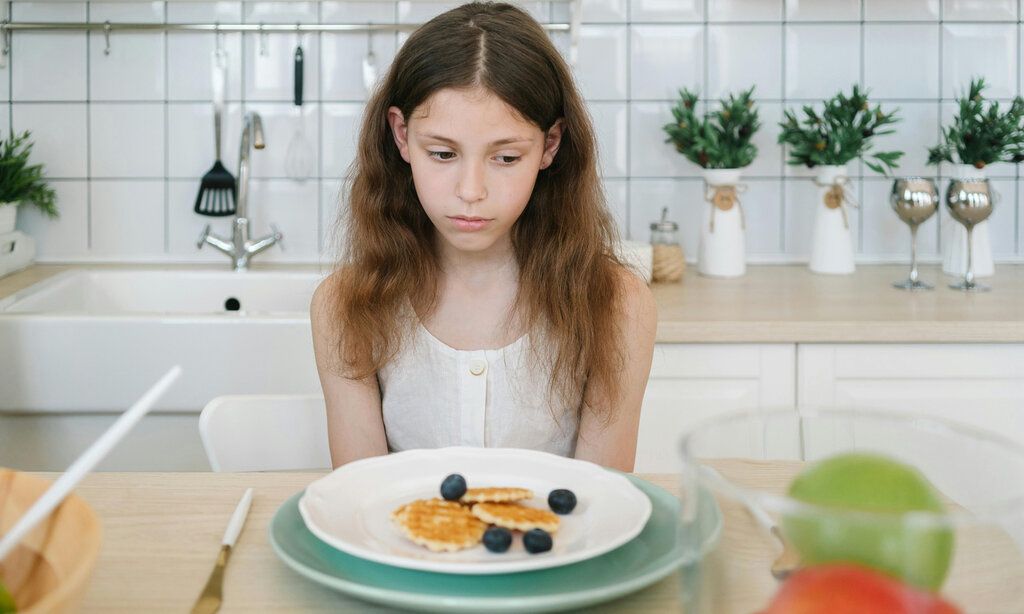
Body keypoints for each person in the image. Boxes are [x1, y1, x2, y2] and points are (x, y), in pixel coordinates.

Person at [311, 1, 656, 472]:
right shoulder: (343, 306)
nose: (471, 192)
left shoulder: (618, 305)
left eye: (506, 158)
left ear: (549, 145)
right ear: (401, 134)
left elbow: (602, 502)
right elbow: (361, 499)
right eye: (443, 154)